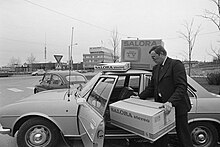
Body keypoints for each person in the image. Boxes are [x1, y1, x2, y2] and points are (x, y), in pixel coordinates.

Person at [130, 45, 193, 147]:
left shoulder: (176, 64)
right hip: (162, 107)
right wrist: (139, 97)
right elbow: (152, 87)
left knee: (182, 133)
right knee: (161, 134)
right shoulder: (156, 68)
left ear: (162, 54)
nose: (153, 59)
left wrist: (171, 102)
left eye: (154, 57)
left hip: (177, 106)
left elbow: (181, 86)